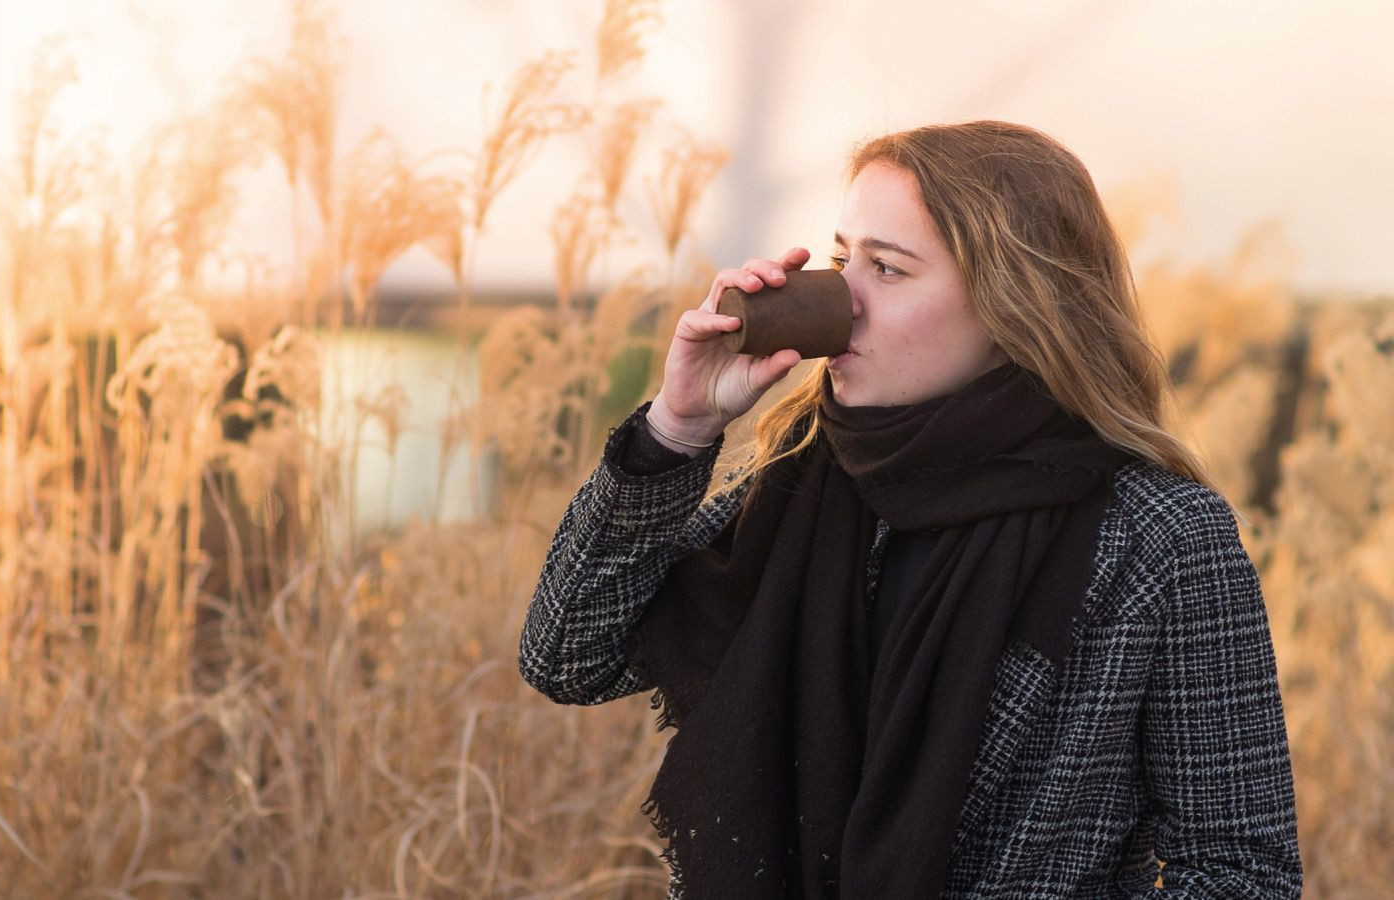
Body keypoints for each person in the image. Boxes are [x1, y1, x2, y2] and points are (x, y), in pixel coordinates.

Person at [517, 120, 1302, 898]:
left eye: (887, 270)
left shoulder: (1158, 537)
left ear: (1012, 304)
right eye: (839, 258)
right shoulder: (800, 480)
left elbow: (1242, 873)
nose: (839, 299)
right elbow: (567, 656)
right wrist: (679, 430)